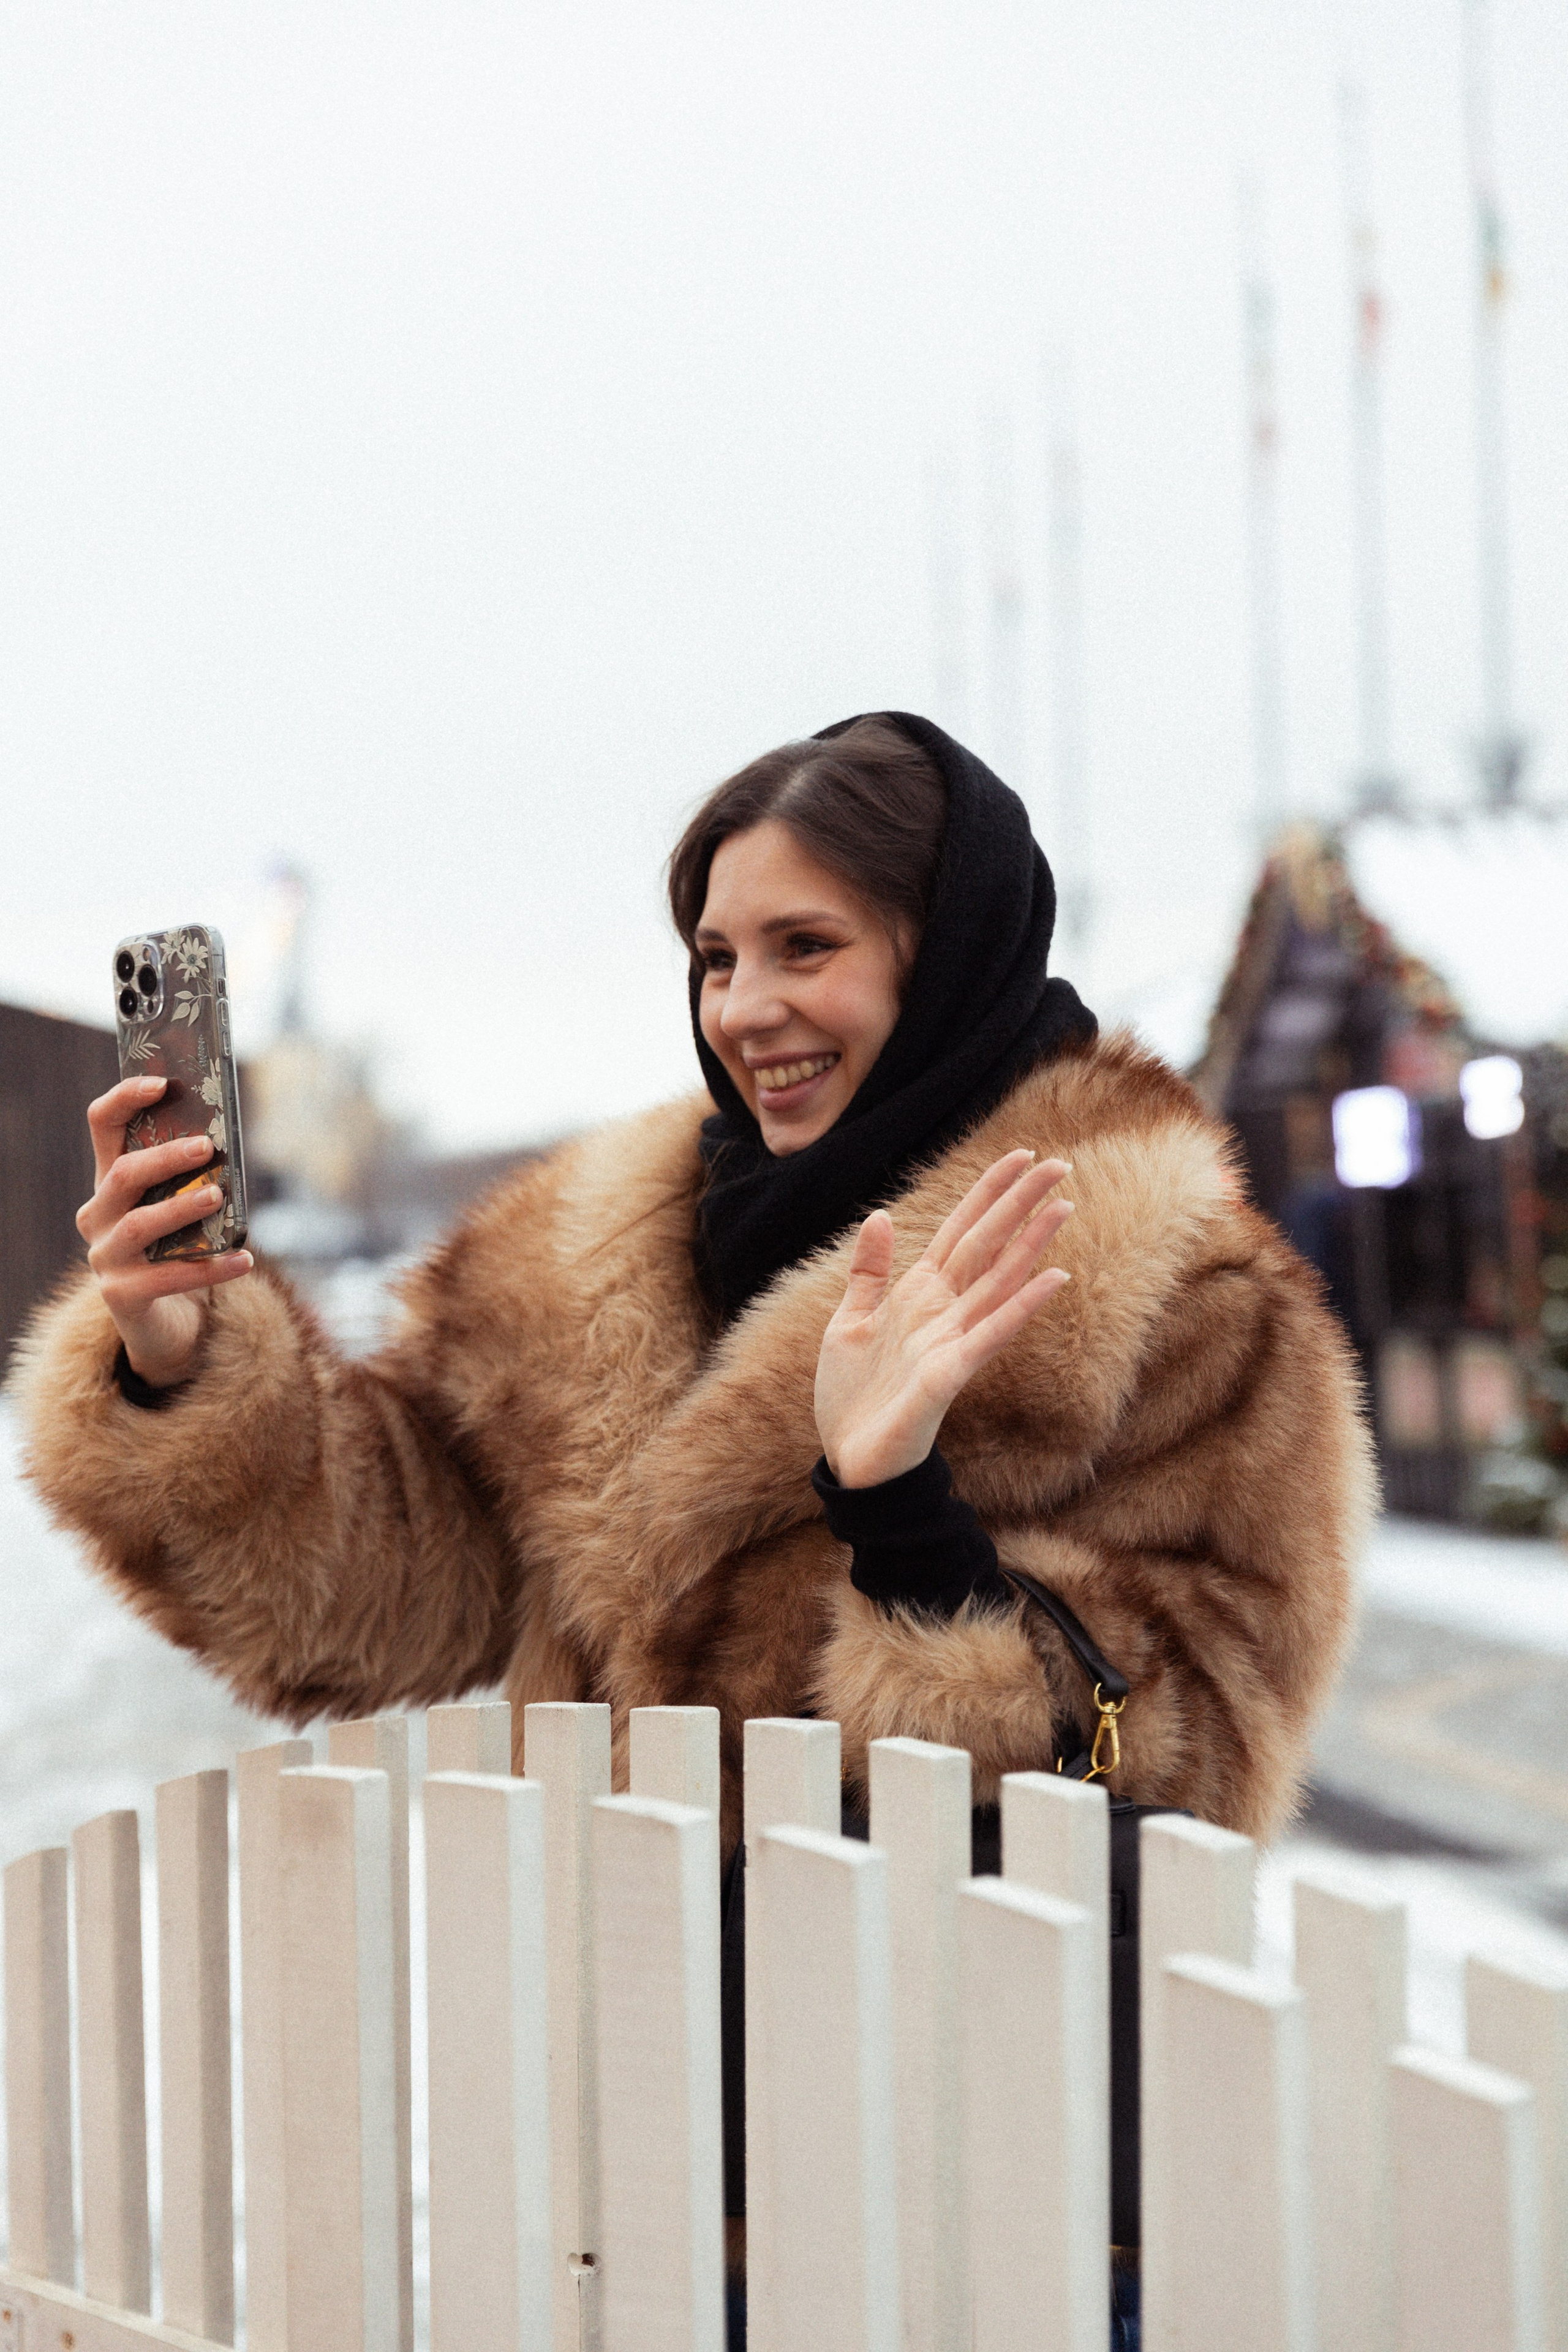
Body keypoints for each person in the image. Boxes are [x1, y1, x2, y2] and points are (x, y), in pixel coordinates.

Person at [15, 712, 1373, 2346]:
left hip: (1011, 2192)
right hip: (638, 2172)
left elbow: (1199, 1760)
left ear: (949, 952)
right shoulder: (576, 1270)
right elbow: (358, 1595)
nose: (746, 1008)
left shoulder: (1188, 1309)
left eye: (809, 946)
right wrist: (181, 1360)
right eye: (716, 955)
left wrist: (900, 1510)